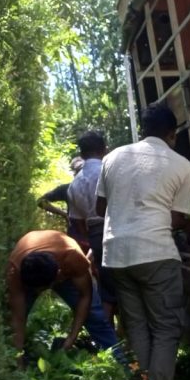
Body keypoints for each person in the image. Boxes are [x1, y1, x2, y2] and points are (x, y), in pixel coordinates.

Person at [97, 103, 190, 380]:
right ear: (172, 134)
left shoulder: (113, 158)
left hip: (116, 255)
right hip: (155, 254)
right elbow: (177, 219)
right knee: (166, 327)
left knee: (137, 325)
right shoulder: (181, 165)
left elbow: (100, 207)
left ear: (142, 130)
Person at [6, 229, 120, 363]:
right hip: (31, 270)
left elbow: (85, 297)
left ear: (58, 276)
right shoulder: (16, 271)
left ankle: (120, 362)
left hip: (64, 263)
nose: (39, 293)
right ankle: (13, 361)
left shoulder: (73, 257)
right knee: (16, 314)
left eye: (42, 289)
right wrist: (17, 359)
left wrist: (71, 338)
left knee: (95, 316)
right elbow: (17, 318)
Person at [67, 130, 117, 320]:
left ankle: (109, 335)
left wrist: (93, 241)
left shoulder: (75, 184)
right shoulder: (110, 171)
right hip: (118, 228)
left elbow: (78, 222)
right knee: (129, 284)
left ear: (82, 153)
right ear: (104, 149)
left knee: (107, 288)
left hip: (96, 235)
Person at [36, 157, 86, 239]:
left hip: (76, 233)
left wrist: (64, 214)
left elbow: (41, 201)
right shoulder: (66, 188)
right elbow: (41, 201)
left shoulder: (67, 188)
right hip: (84, 233)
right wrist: (64, 214)